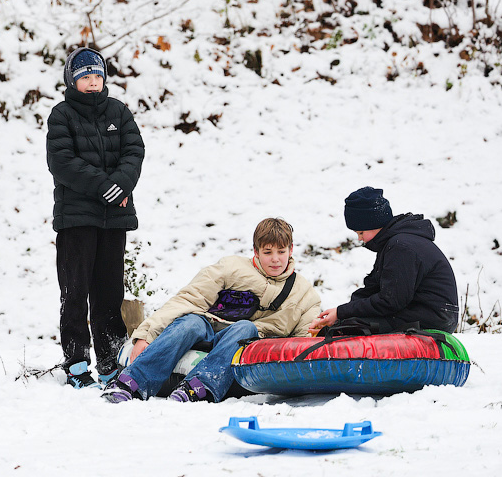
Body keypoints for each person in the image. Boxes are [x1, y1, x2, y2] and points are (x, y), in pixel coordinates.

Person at [102, 218, 321, 403]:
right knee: (190, 322)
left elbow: (305, 340)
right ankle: (130, 382)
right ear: (255, 251)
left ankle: (198, 387)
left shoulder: (304, 294)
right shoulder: (230, 267)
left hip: (246, 341)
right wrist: (146, 335)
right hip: (207, 328)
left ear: (291, 250)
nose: (275, 259)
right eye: (267, 252)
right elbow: (188, 298)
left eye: (281, 251)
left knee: (245, 327)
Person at [46, 47, 145, 388]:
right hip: (77, 219)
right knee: (76, 291)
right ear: (72, 81)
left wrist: (120, 184)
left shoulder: (118, 111)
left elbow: (134, 151)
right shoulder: (62, 115)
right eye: (84, 77)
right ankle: (76, 363)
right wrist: (103, 185)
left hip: (113, 218)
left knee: (109, 293)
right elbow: (61, 161)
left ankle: (110, 362)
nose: (91, 82)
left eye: (96, 76)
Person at [308, 186, 460, 335]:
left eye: (361, 232)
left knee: (350, 329)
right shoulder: (393, 244)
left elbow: (390, 301)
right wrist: (340, 313)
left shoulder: (401, 247)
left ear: (373, 223)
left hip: (432, 317)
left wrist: (342, 314)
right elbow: (373, 289)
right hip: (425, 312)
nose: (360, 239)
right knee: (346, 323)